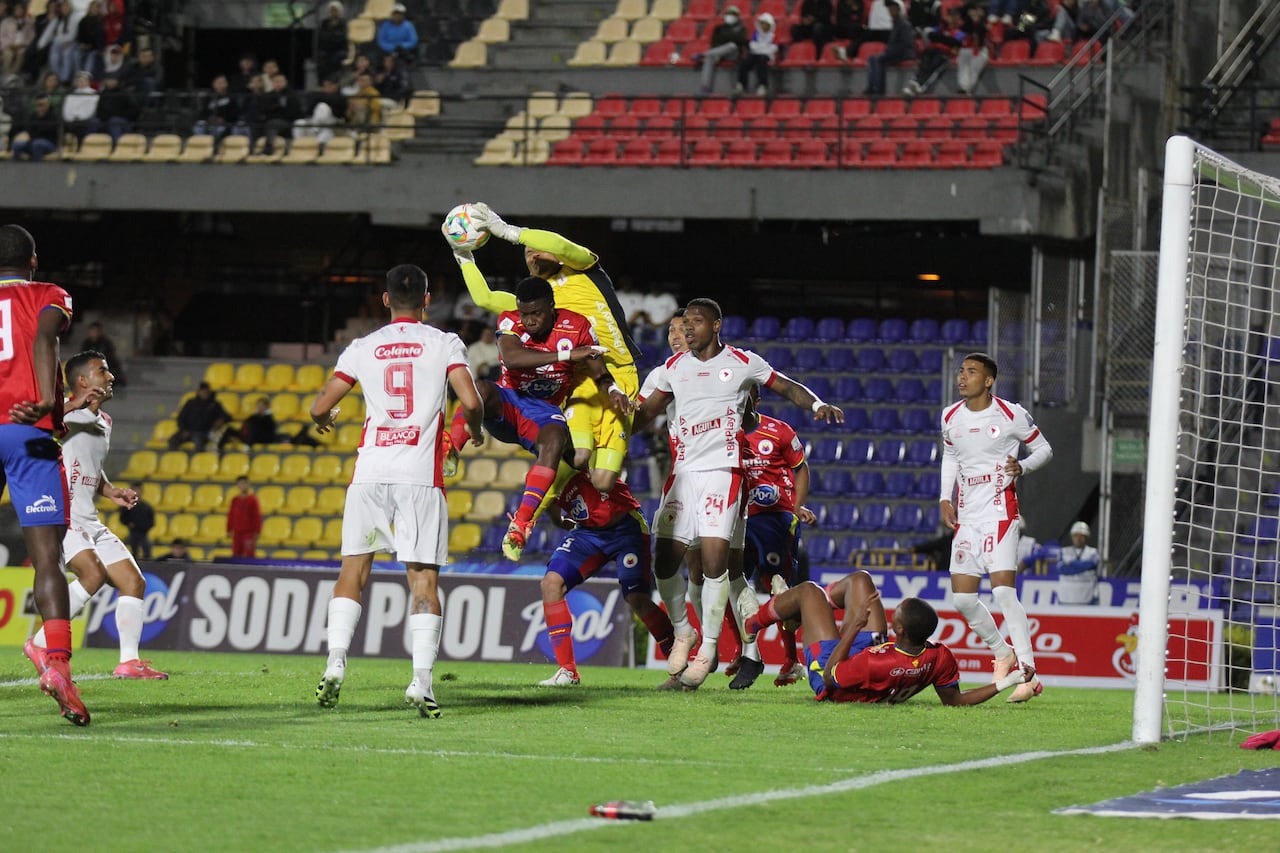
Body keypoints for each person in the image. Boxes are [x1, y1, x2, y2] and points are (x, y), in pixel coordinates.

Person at [630, 298, 843, 689]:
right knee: (664, 561)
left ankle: (711, 649)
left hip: (723, 474)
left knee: (716, 566)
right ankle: (684, 631)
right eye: (682, 325)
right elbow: (644, 415)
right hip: (682, 475)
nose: (687, 329)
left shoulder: (742, 362)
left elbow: (785, 385)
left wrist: (815, 403)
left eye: (695, 323)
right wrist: (618, 417)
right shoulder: (673, 370)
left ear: (716, 325)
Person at [310, 264, 484, 718]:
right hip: (419, 477)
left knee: (353, 572)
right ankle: (421, 682)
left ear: (385, 300)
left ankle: (334, 664)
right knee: (423, 581)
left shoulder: (363, 347)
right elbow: (470, 401)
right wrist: (477, 431)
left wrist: (323, 419)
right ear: (427, 300)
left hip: (369, 474)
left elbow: (320, 405)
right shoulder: (444, 342)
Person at [448, 203, 643, 501]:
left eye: (538, 249)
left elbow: (559, 244)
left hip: (619, 371)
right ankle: (533, 517)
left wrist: (510, 232)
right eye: (528, 254)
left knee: (603, 479)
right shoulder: (534, 303)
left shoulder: (585, 269)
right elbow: (485, 298)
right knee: (579, 457)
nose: (533, 254)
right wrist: (463, 258)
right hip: (581, 377)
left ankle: (604, 507)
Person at [442, 276, 628, 561]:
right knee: (479, 388)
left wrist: (613, 389)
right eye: (524, 313)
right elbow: (513, 359)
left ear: (551, 307)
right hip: (508, 400)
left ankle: (521, 524)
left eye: (536, 313)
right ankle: (450, 450)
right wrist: (568, 353)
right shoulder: (510, 321)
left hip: (543, 411)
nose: (529, 320)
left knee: (556, 438)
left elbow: (598, 370)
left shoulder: (577, 326)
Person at [24, 350, 168, 681]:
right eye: (103, 371)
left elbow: (92, 468)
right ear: (82, 381)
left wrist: (112, 490)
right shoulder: (63, 416)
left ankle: (129, 662)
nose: (111, 376)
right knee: (93, 575)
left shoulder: (104, 421)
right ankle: (41, 643)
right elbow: (37, 431)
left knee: (134, 581)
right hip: (64, 516)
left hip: (91, 519)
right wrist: (72, 405)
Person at [0, 223, 89, 725]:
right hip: (27, 431)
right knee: (46, 559)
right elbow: (44, 333)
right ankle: (56, 665)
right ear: (33, 261)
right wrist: (44, 397)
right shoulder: (49, 294)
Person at [939, 352, 1052, 703]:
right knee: (962, 598)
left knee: (1003, 591)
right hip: (968, 515)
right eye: (961, 371)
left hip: (1001, 512)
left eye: (972, 372)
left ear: (988, 381)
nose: (963, 377)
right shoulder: (949, 416)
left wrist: (1023, 466)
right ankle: (1003, 653)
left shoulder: (1010, 414)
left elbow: (1044, 449)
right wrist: (945, 497)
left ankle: (1029, 674)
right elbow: (951, 457)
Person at [744, 570, 1036, 704]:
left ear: (899, 630)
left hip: (832, 668)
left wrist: (855, 627)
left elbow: (833, 677)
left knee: (809, 591)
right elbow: (956, 700)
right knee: (861, 580)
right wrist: (1008, 680)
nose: (890, 612)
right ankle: (797, 610)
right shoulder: (937, 655)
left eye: (896, 614)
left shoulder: (876, 665)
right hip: (873, 651)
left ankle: (753, 623)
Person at [537, 469, 676, 686]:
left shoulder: (587, 452)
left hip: (627, 528)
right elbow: (558, 519)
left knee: (636, 598)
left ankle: (680, 669)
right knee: (551, 584)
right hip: (588, 533)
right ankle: (568, 671)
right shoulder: (546, 476)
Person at [739, 382, 816, 687]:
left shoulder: (779, 431)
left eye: (743, 396)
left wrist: (796, 508)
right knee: (731, 587)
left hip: (774, 520)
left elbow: (801, 468)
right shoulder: (722, 434)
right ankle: (745, 653)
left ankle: (791, 659)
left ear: (756, 400)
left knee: (779, 591)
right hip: (737, 521)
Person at [221, 395, 320, 449]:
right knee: (229, 429)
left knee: (287, 438)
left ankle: (303, 436)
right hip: (250, 436)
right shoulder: (254, 417)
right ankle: (218, 448)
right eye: (258, 405)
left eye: (261, 406)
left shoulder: (267, 418)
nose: (259, 408)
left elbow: (266, 431)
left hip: (264, 438)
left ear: (266, 407)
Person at [906, 6, 964, 96]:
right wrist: (943, 38)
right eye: (950, 16)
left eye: (954, 16)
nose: (951, 19)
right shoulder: (941, 28)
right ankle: (914, 82)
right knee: (924, 62)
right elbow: (930, 35)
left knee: (934, 65)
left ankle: (921, 87)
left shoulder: (960, 33)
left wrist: (940, 38)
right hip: (932, 51)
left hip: (945, 55)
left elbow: (954, 43)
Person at [862, 1, 915, 95]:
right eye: (889, 9)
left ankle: (879, 89)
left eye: (892, 9)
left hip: (904, 53)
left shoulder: (904, 24)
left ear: (898, 10)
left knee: (878, 59)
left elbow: (906, 43)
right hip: (895, 52)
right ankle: (871, 87)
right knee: (872, 58)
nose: (890, 12)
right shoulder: (895, 23)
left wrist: (891, 51)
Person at [692, 5, 747, 95]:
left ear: (737, 16)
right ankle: (705, 87)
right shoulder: (718, 28)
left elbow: (740, 41)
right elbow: (715, 42)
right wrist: (728, 39)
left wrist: (726, 39)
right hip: (719, 52)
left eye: (732, 14)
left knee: (731, 45)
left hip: (734, 54)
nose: (730, 16)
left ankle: (702, 54)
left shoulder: (741, 28)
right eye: (728, 14)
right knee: (709, 59)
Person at [169, 381, 232, 451]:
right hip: (187, 431)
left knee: (199, 444)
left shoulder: (214, 404)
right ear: (199, 392)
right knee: (172, 440)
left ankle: (197, 461)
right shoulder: (190, 403)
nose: (205, 393)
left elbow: (227, 416)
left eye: (207, 391)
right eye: (203, 391)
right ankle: (177, 459)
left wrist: (221, 420)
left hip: (202, 432)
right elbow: (180, 418)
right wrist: (183, 429)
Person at [1058, 520, 1100, 604]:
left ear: (1086, 537)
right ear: (1072, 536)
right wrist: (1082, 566)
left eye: (1082, 536)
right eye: (1076, 536)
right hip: (1066, 595)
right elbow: (1062, 570)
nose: (1078, 539)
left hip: (1087, 594)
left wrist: (1071, 563)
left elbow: (1090, 565)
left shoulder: (1093, 552)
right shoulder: (1064, 551)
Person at [9, 93, 60, 161]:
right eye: (38, 105)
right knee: (17, 144)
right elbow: (28, 130)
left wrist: (35, 133)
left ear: (48, 104)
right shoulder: (33, 116)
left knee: (37, 144)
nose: (40, 107)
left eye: (42, 104)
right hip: (32, 141)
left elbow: (50, 132)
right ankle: (16, 169)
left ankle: (35, 169)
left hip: (50, 144)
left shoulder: (54, 116)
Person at [737, 11, 778, 97]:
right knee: (745, 62)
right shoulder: (756, 34)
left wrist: (761, 48)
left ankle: (763, 86)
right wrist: (763, 48)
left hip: (767, 57)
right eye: (762, 23)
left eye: (765, 24)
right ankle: (741, 85)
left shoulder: (773, 36)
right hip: (755, 54)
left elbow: (773, 49)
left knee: (762, 61)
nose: (763, 26)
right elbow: (753, 46)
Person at [79, 320, 125, 386]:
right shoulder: (87, 343)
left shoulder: (106, 343)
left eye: (96, 331)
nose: (94, 333)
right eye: (93, 331)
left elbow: (111, 358)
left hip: (106, 369)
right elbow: (82, 358)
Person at [226, 475, 262, 558]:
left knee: (249, 554)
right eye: (241, 484)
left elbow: (256, 516)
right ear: (237, 485)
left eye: (245, 483)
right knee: (236, 554)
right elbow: (231, 515)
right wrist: (229, 529)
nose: (243, 486)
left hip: (248, 533)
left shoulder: (253, 500)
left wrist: (257, 531)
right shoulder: (235, 500)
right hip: (237, 533)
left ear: (249, 485)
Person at [1, 2, 36, 84]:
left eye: (21, 9)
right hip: (9, 45)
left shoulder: (29, 22)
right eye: (17, 9)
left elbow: (31, 37)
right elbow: (1, 36)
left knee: (22, 53)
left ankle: (13, 74)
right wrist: (10, 44)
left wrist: (24, 44)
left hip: (22, 45)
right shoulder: (6, 21)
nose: (19, 11)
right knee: (8, 54)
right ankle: (7, 75)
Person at [117, 481, 154, 559]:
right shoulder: (127, 505)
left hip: (144, 533)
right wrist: (129, 524)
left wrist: (145, 526)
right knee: (133, 551)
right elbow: (122, 518)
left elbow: (152, 521)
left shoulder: (146, 506)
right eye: (135, 490)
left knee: (147, 551)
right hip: (132, 533)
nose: (137, 492)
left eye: (138, 490)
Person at [316, 1, 349, 83]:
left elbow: (342, 38)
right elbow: (322, 37)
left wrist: (331, 37)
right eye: (331, 10)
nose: (333, 12)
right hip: (326, 49)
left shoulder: (343, 23)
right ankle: (324, 83)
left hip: (339, 49)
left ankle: (335, 82)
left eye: (335, 10)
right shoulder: (324, 23)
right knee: (321, 59)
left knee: (338, 57)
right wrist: (333, 36)